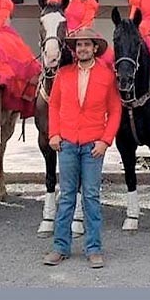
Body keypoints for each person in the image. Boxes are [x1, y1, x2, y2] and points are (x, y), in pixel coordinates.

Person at [43, 28, 121, 269]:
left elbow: (116, 110)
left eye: (87, 45)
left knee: (91, 197)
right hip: (66, 143)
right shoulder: (63, 74)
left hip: (92, 146)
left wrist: (105, 140)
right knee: (66, 197)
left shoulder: (107, 75)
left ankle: (94, 248)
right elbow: (53, 106)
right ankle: (60, 247)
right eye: (79, 46)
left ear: (95, 47)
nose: (82, 49)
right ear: (74, 50)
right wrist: (53, 133)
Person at [46, 0, 115, 67]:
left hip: (82, 34)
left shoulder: (88, 0)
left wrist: (76, 33)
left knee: (109, 57)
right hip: (59, 34)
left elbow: (88, 22)